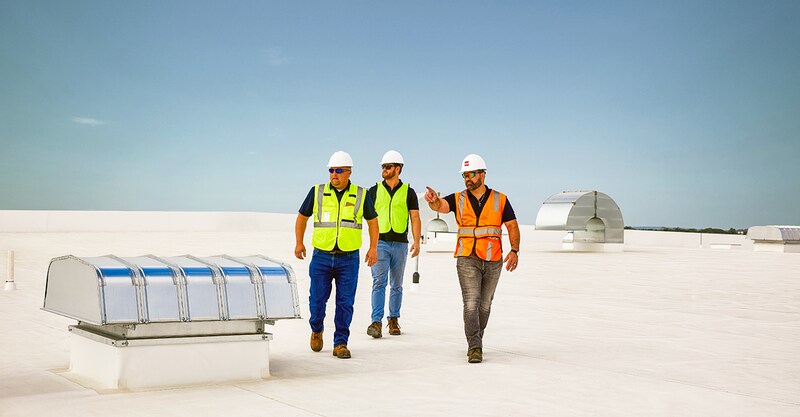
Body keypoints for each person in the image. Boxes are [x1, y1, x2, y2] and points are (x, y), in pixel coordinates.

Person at [423, 154, 520, 364]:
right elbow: (441, 206)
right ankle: (475, 346)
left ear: (483, 175)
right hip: (467, 257)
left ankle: (476, 337)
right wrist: (434, 201)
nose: (468, 178)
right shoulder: (458, 198)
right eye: (465, 175)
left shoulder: (500, 199)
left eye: (471, 174)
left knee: (485, 305)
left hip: (493, 259)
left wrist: (514, 250)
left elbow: (512, 225)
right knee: (471, 303)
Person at [295, 151, 379, 359]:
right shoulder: (317, 191)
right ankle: (316, 329)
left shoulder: (361, 194)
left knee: (345, 302)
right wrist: (299, 242)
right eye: (331, 170)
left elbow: (373, 222)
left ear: (349, 172)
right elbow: (302, 217)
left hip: (348, 259)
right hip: (321, 257)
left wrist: (373, 248)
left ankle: (341, 343)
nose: (334, 174)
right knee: (317, 300)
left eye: (339, 170)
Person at [365, 150, 421, 338]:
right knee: (378, 282)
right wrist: (371, 246)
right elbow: (367, 218)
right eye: (383, 167)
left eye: (388, 167)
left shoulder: (409, 192)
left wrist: (417, 242)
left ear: (398, 169)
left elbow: (415, 217)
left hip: (400, 244)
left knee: (396, 284)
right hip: (380, 243)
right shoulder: (373, 191)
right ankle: (376, 322)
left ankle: (394, 319)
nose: (384, 170)